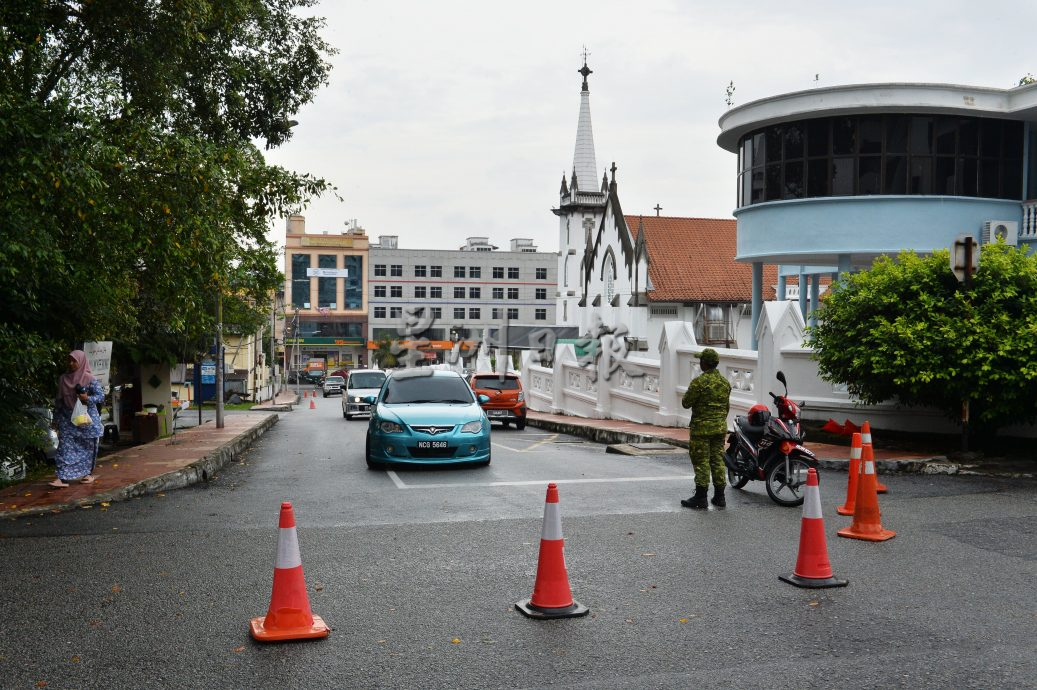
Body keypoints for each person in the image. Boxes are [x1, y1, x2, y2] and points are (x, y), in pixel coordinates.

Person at [680, 348, 731, 509]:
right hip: (719, 428)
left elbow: (686, 403)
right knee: (717, 460)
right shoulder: (725, 383)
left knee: (701, 461)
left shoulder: (699, 382)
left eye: (700, 360)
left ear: (704, 363)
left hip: (701, 429)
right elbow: (726, 407)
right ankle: (720, 497)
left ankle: (701, 497)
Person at [50, 350, 104, 487]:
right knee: (64, 447)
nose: (71, 363)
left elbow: (101, 396)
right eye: (69, 360)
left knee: (89, 447)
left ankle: (88, 474)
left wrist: (88, 398)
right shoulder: (63, 379)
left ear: (81, 361)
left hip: (86, 419)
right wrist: (55, 419)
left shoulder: (90, 379)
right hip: (67, 419)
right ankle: (61, 478)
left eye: (74, 360)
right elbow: (59, 401)